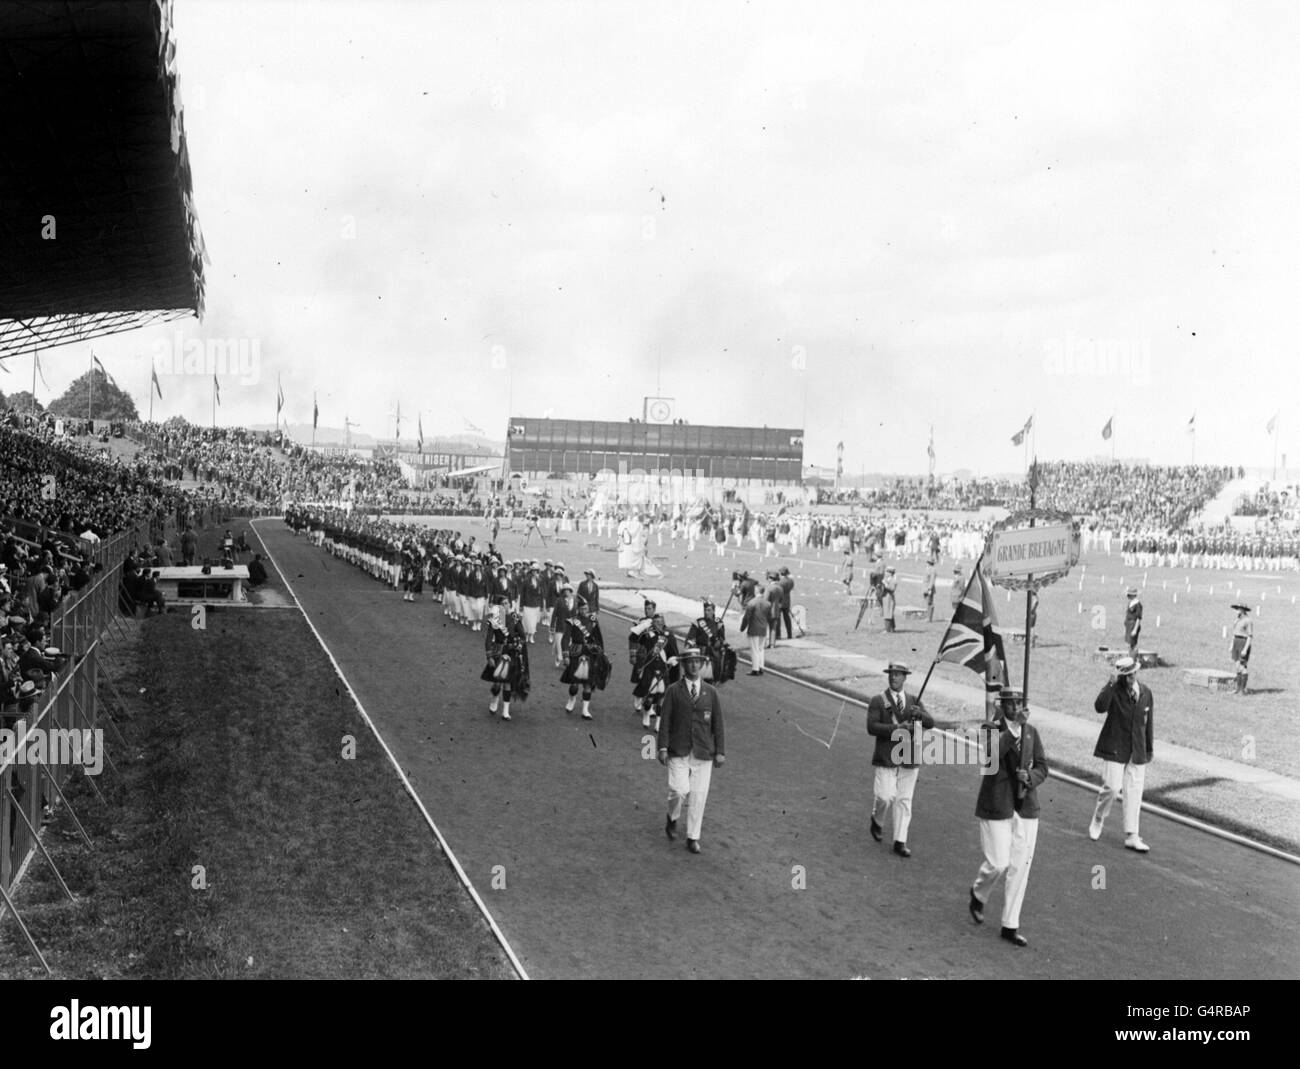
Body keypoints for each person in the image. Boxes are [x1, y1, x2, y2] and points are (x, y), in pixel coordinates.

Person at [969, 685, 1050, 948]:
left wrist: (1030, 778)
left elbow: (1042, 766)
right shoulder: (990, 729)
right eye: (1009, 703)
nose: (1014, 708)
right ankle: (979, 892)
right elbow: (990, 758)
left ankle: (1009, 924)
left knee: (1020, 869)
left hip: (1026, 807)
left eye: (1018, 703)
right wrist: (1014, 728)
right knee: (998, 863)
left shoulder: (1032, 733)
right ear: (1000, 705)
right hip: (997, 804)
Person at [657, 645, 726, 854]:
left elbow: (718, 724)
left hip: (703, 751)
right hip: (678, 749)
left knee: (698, 795)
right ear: (683, 665)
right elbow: (665, 719)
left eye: (697, 662)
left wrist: (720, 751)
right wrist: (661, 747)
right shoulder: (673, 691)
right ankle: (672, 817)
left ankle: (692, 837)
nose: (694, 665)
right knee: (679, 790)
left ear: (702, 664)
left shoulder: (711, 692)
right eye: (689, 662)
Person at [865, 663, 934, 857]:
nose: (893, 678)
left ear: (905, 677)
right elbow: (871, 727)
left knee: (904, 800)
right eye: (891, 674)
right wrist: (896, 728)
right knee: (885, 797)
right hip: (886, 756)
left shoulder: (914, 701)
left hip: (909, 756)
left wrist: (919, 714)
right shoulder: (878, 700)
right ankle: (877, 820)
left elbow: (931, 723)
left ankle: (899, 840)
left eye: (898, 675)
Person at [1088, 655, 1154, 852]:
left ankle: (1132, 835)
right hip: (1115, 745)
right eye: (1125, 675)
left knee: (1134, 792)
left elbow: (1148, 723)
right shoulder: (1114, 691)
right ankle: (1099, 818)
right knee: (1112, 788)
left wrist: (1148, 749)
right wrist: (1110, 683)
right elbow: (1100, 707)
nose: (1130, 677)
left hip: (1137, 749)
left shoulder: (1146, 692)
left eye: (1132, 673)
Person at [560, 596, 608, 719]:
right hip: (576, 652)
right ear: (578, 609)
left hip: (590, 653)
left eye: (586, 608)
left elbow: (598, 637)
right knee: (574, 684)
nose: (584, 610)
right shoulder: (572, 621)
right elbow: (565, 639)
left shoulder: (593, 619)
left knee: (588, 683)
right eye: (582, 608)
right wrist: (565, 655)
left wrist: (601, 652)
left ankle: (585, 710)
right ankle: (572, 699)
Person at [482, 600, 530, 721]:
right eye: (502, 604)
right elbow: (488, 639)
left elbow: (523, 636)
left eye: (507, 603)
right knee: (497, 681)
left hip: (511, 654)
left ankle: (505, 711)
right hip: (498, 652)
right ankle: (494, 700)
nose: (505, 605)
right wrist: (489, 657)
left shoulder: (514, 617)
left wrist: (518, 645)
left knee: (508, 682)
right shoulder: (495, 619)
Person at [632, 613, 680, 730]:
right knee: (649, 698)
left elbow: (674, 653)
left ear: (663, 623)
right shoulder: (648, 635)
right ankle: (646, 714)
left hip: (663, 670)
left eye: (660, 622)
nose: (658, 624)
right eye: (656, 622)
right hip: (650, 670)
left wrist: (673, 660)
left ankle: (658, 723)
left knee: (661, 699)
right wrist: (643, 626)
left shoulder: (669, 636)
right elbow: (633, 637)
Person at [687, 596, 735, 686]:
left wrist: (719, 642)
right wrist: (690, 645)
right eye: (705, 610)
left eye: (709, 610)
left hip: (713, 651)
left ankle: (715, 680)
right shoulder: (698, 622)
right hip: (701, 651)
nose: (706, 612)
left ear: (713, 611)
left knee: (716, 667)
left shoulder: (719, 623)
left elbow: (722, 637)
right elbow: (691, 637)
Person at [739, 587, 769, 675]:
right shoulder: (767, 603)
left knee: (754, 649)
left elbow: (747, 617)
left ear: (756, 591)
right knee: (761, 649)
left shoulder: (752, 603)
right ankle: (761, 667)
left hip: (754, 628)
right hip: (763, 628)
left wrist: (742, 627)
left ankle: (755, 668)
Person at [1229, 603, 1252, 694]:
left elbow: (1250, 636)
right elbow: (1234, 633)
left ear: (1243, 610)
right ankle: (1237, 689)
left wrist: (1245, 649)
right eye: (1237, 608)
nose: (1237, 610)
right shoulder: (1237, 619)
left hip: (1243, 642)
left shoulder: (1248, 620)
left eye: (1239, 609)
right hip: (1236, 642)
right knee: (1237, 666)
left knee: (1242, 666)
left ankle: (1243, 690)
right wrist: (1231, 645)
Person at [1123, 587, 1143, 658]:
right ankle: (1130, 657)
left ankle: (1133, 659)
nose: (1127, 595)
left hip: (1133, 625)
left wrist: (1135, 629)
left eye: (1129, 594)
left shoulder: (1138, 604)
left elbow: (1138, 618)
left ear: (1134, 595)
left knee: (1133, 644)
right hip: (1129, 625)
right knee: (1129, 644)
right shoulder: (1130, 603)